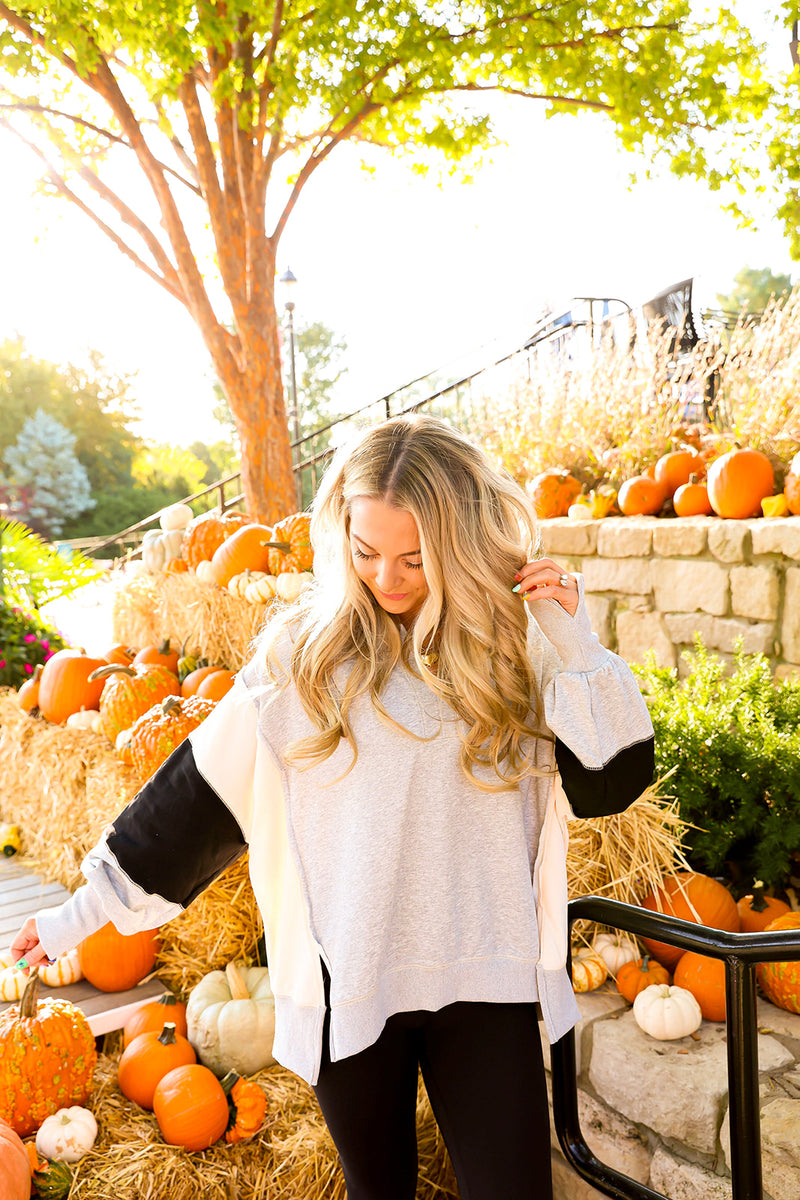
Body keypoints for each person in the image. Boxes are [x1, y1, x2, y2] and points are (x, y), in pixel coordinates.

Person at [12, 414, 654, 1200]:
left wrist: (577, 647)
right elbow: (195, 799)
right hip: (349, 983)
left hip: (486, 978)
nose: (387, 577)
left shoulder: (516, 646)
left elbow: (610, 784)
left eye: (416, 558)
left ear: (459, 541)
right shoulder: (303, 658)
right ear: (340, 537)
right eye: (366, 552)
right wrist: (77, 916)